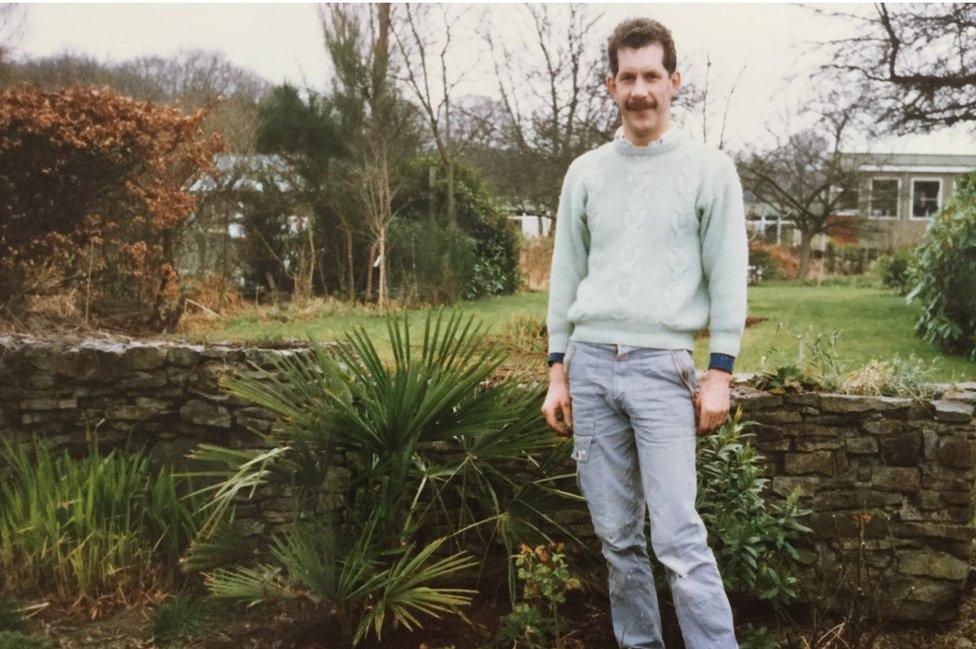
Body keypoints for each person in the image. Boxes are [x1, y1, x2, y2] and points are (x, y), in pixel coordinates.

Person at [539, 17, 747, 649]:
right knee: (618, 539)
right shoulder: (585, 172)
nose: (640, 91)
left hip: (665, 370)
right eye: (627, 77)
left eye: (652, 76)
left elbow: (729, 275)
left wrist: (720, 374)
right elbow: (565, 275)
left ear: (673, 82)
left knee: (678, 538)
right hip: (591, 365)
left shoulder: (710, 171)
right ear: (611, 85)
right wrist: (556, 372)